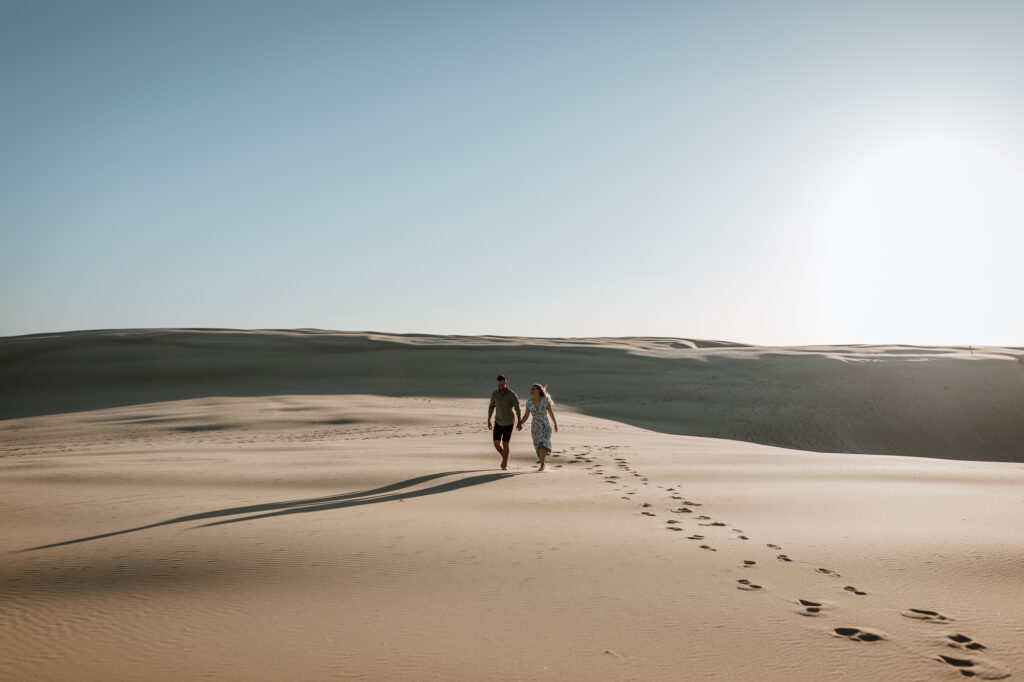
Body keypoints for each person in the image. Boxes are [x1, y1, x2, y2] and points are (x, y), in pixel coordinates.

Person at [518, 383, 558, 472]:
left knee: (542, 442)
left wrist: (555, 424)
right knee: (537, 446)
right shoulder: (529, 402)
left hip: (545, 425)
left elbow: (551, 413)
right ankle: (542, 463)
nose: (531, 391)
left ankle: (542, 465)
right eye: (531, 389)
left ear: (539, 390)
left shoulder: (545, 400)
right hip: (535, 427)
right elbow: (526, 415)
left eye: (534, 389)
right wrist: (520, 423)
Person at [487, 375, 522, 470]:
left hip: (509, 423)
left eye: (502, 384)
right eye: (498, 385)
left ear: (506, 383)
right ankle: (505, 457)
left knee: (505, 444)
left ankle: (504, 464)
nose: (500, 387)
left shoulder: (512, 394)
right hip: (498, 422)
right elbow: (491, 407)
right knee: (496, 443)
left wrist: (519, 421)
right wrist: (488, 420)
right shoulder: (495, 394)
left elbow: (517, 408)